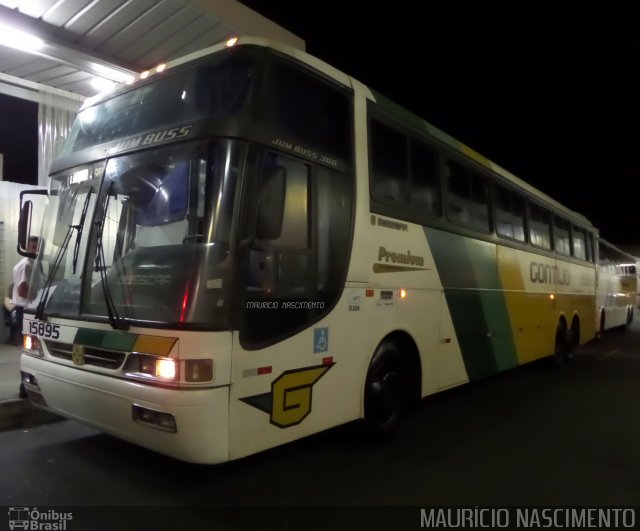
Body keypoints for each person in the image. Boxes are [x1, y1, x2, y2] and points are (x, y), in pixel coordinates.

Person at [11, 236, 40, 348]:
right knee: (31, 346)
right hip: (25, 310)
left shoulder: (32, 263)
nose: (36, 251)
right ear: (27, 248)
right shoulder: (26, 265)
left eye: (37, 248)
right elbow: (22, 291)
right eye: (33, 247)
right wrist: (39, 295)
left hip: (28, 309)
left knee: (32, 345)